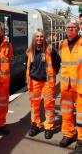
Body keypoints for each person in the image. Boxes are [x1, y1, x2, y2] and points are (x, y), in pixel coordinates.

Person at [26, 28, 56, 139]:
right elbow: (28, 66)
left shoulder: (50, 50)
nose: (39, 38)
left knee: (49, 105)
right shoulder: (30, 51)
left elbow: (57, 64)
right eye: (37, 36)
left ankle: (48, 127)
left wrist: (52, 75)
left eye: (41, 36)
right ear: (34, 38)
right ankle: (35, 125)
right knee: (34, 105)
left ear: (44, 38)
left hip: (47, 81)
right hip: (34, 81)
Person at [59, 19, 82, 148]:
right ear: (65, 29)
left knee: (81, 113)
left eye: (73, 27)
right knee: (66, 112)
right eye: (68, 27)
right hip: (66, 85)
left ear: (78, 28)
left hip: (80, 85)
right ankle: (68, 134)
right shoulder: (62, 44)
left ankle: (80, 138)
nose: (70, 29)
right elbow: (58, 62)